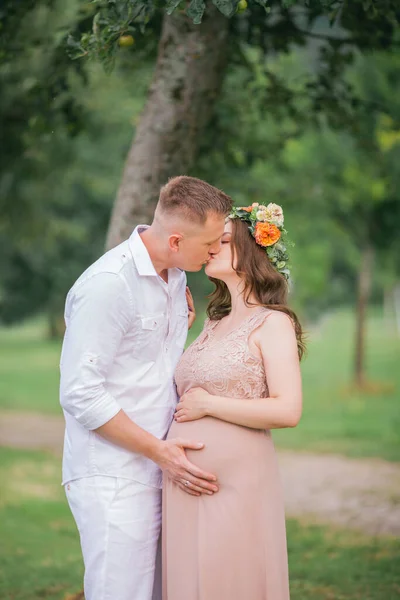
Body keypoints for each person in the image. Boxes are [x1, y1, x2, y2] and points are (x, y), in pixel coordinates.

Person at [59, 176, 233, 600]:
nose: (215, 251)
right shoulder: (108, 285)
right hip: (115, 475)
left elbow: (143, 362)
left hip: (159, 467)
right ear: (176, 239)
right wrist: (160, 452)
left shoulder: (174, 277)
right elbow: (81, 392)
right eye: (210, 243)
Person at [163, 202, 304, 599]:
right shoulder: (213, 322)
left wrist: (210, 407)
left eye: (223, 241)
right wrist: (178, 331)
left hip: (236, 483)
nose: (211, 248)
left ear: (252, 251)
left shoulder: (273, 322)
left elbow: (288, 409)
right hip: (184, 483)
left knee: (230, 579)